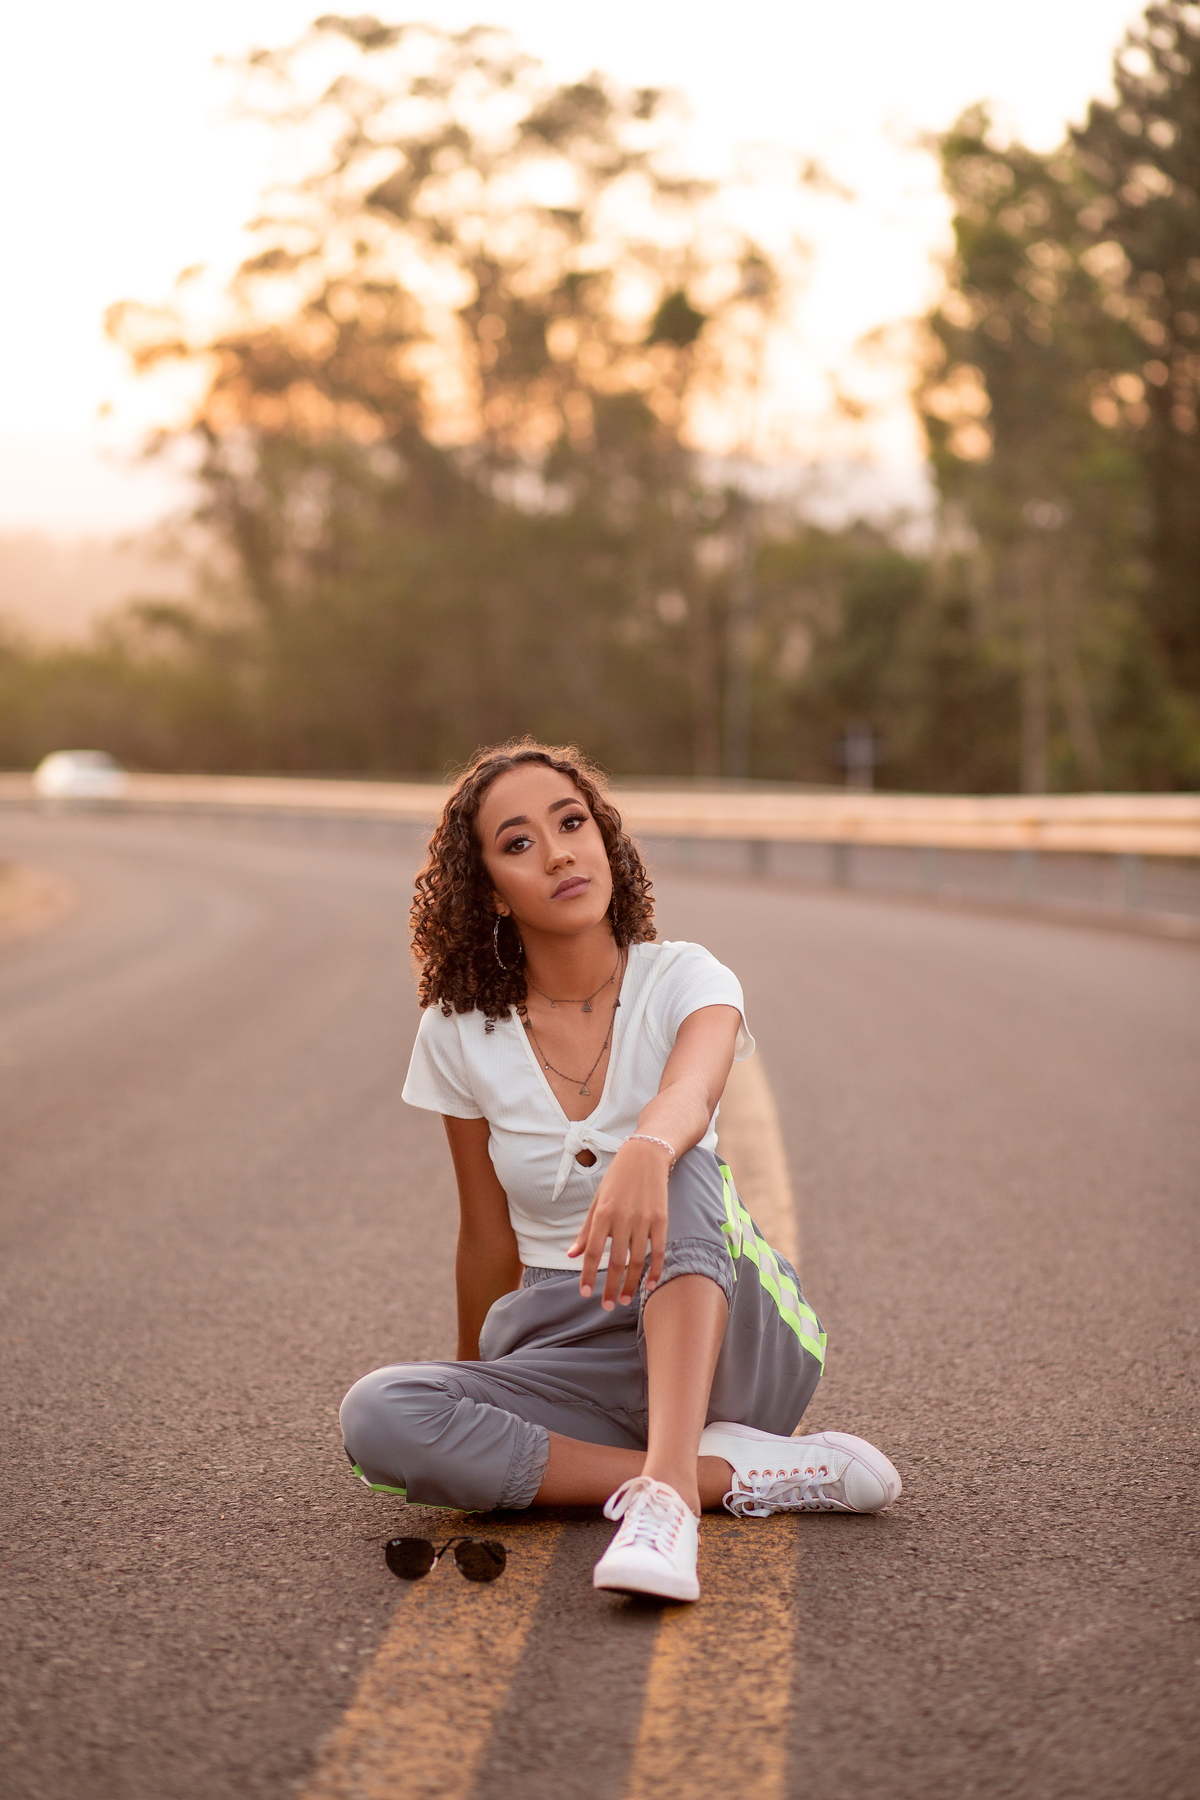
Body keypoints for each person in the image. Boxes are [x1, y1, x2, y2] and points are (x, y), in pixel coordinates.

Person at [340, 740, 900, 1602]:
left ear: (605, 840)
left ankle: (670, 1497)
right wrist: (474, 1396)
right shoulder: (456, 1031)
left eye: (573, 823)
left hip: (726, 1331)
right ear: (490, 888)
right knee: (379, 1414)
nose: (560, 851)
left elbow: (693, 1088)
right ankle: (728, 1477)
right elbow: (485, 1233)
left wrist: (647, 1148)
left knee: (681, 1167)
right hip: (573, 1353)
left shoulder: (685, 975)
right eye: (520, 843)